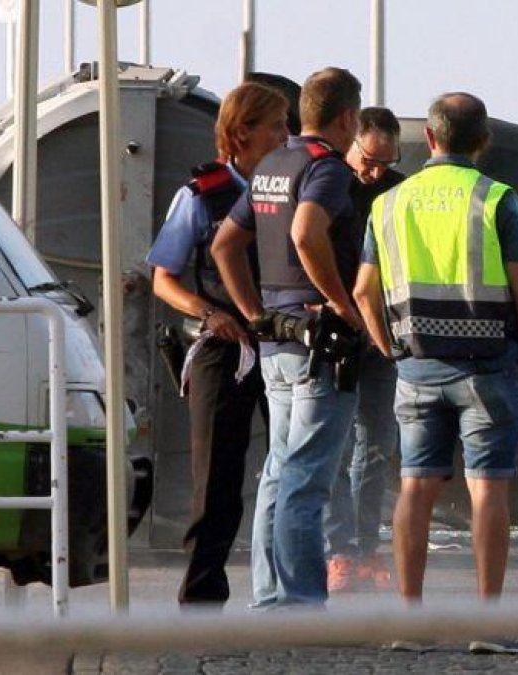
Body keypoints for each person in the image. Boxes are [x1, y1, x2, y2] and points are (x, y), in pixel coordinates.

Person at [354, 92, 518, 654]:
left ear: (431, 140)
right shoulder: (496, 200)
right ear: (482, 141)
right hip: (489, 369)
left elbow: (364, 290)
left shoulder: (389, 202)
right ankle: (487, 624)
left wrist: (387, 346)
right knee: (488, 491)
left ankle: (408, 624)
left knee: (415, 488)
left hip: (416, 368)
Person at [211, 66, 364, 609]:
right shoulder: (326, 168)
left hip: (275, 340)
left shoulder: (273, 164)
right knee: (306, 478)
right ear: (347, 118)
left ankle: (271, 596)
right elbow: (305, 232)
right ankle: (301, 602)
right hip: (318, 345)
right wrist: (344, 307)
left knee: (278, 471)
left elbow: (225, 245)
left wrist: (254, 311)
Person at [145, 81, 289, 606]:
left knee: (291, 467)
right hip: (221, 349)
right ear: (242, 132)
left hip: (282, 344)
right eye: (275, 126)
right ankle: (202, 597)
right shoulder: (200, 195)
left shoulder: (289, 188)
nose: (285, 135)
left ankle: (286, 590)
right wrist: (210, 312)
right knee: (218, 480)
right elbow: (164, 277)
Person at [324, 107, 405, 592]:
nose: (374, 171)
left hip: (381, 333)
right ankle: (340, 551)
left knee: (377, 444)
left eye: (384, 162)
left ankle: (368, 545)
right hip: (336, 328)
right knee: (334, 446)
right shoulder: (329, 182)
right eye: (368, 160)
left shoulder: (397, 190)